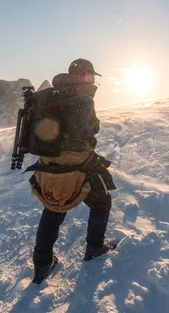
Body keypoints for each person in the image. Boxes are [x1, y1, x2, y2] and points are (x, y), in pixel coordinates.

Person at [30, 58, 116, 284]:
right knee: (101, 203)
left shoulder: (53, 95)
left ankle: (42, 264)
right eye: (84, 74)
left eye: (90, 75)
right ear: (74, 75)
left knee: (54, 208)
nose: (87, 78)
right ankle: (95, 248)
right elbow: (86, 130)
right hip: (76, 163)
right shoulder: (79, 98)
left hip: (49, 163)